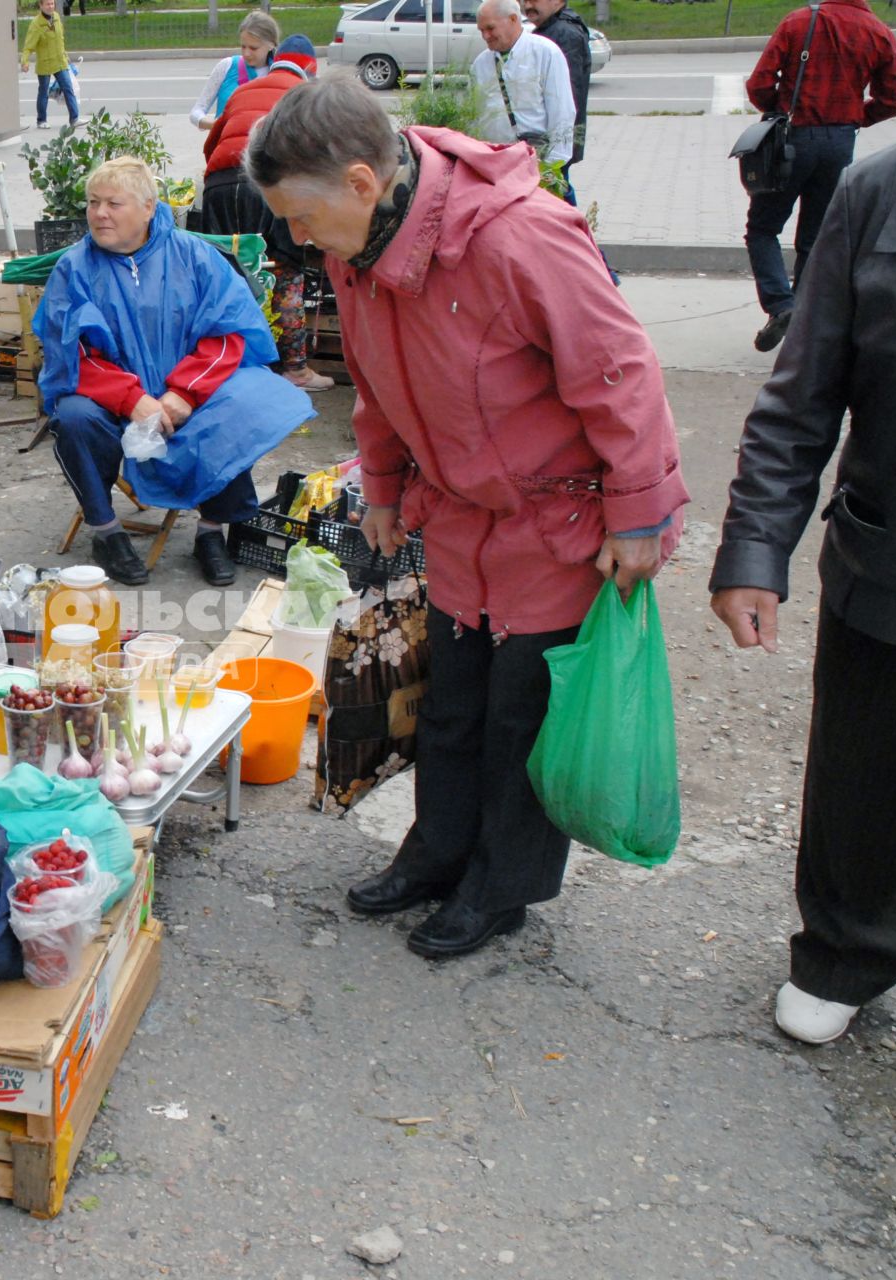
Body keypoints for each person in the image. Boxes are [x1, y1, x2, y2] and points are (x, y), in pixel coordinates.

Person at [247, 75, 688, 959]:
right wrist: (378, 489)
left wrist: (641, 517)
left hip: (553, 524)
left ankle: (501, 886)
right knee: (451, 708)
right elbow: (374, 388)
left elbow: (619, 374)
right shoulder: (356, 249)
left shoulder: (523, 237)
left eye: (299, 216)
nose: (294, 238)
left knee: (519, 719)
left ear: (364, 182)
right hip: (454, 520)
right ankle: (437, 853)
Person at [708, 134, 896, 1045]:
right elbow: (801, 398)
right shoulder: (880, 196)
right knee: (863, 786)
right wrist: (755, 552)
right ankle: (845, 952)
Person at [33, 156, 315, 589]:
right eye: (93, 203)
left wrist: (184, 393)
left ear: (148, 207)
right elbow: (71, 353)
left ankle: (211, 531)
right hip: (113, 402)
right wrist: (133, 399)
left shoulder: (195, 256)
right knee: (71, 417)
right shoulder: (75, 269)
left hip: (189, 395)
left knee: (244, 403)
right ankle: (106, 533)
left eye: (113, 203)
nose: (99, 213)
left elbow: (227, 335)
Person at [740, 0, 896, 354]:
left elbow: (759, 83)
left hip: (792, 138)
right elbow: (894, 98)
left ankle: (781, 305)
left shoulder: (800, 22)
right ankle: (803, 320)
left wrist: (776, 108)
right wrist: (858, 117)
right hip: (840, 142)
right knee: (816, 235)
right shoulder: (877, 30)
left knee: (763, 227)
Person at [202, 34, 331, 393]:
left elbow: (212, 144)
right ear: (309, 69)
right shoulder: (304, 95)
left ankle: (227, 367)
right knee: (285, 270)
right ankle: (295, 369)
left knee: (229, 273)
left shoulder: (246, 89)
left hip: (219, 185)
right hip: (269, 184)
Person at [471, 0, 576, 169]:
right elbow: (475, 116)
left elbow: (562, 112)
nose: (485, 36)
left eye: (490, 28)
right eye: (481, 30)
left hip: (538, 160)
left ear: (513, 19)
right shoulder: (480, 64)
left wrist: (553, 165)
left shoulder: (545, 53)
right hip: (495, 162)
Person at [520, 0, 591, 200]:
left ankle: (574, 231)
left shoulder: (563, 34)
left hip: (556, 136)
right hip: (556, 136)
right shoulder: (552, 29)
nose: (528, 5)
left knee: (557, 192)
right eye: (524, 0)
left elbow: (566, 95)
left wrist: (556, 142)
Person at [189, 10, 279, 131]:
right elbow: (197, 111)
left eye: (253, 48)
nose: (247, 53)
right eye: (243, 46)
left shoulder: (279, 74)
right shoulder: (227, 66)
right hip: (225, 145)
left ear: (271, 44)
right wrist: (213, 124)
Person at [21, 0, 79, 130]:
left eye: (52, 3)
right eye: (47, 4)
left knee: (68, 88)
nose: (50, 6)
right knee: (43, 92)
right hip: (45, 63)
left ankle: (74, 119)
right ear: (41, 6)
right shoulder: (36, 24)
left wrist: (66, 56)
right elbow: (28, 46)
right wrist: (25, 61)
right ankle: (41, 120)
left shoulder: (57, 17)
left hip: (60, 62)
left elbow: (60, 40)